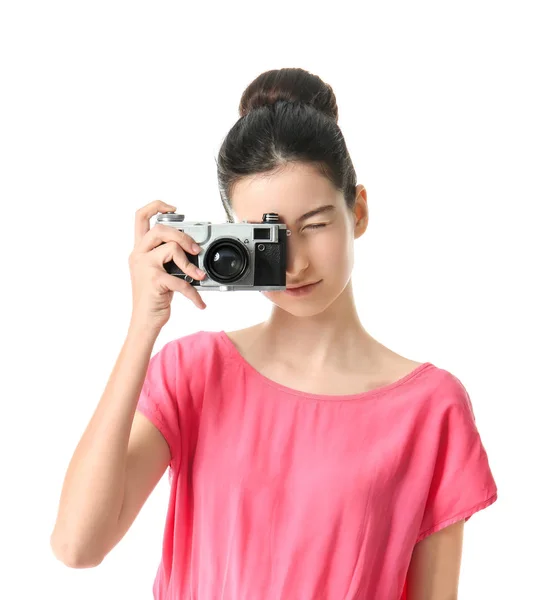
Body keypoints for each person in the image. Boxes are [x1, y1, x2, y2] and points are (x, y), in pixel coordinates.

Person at [50, 67, 498, 599]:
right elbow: (78, 546)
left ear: (357, 211)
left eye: (314, 224)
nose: (295, 264)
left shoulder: (430, 408)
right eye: (269, 237)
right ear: (236, 236)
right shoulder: (193, 373)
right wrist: (143, 325)